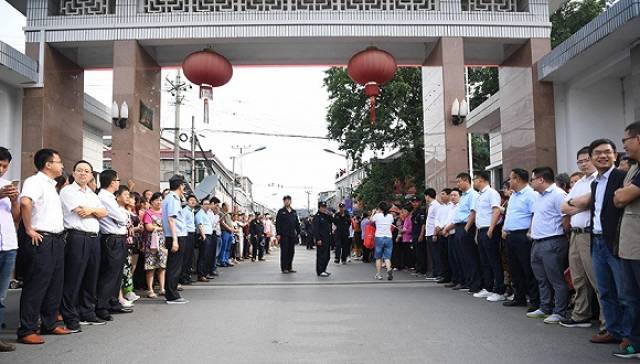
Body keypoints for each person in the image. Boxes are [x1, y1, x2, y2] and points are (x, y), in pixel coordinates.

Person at [571, 139, 630, 345]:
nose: (602, 156)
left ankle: (629, 334)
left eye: (607, 152)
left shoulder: (622, 177)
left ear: (615, 154)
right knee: (605, 290)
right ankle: (612, 330)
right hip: (595, 240)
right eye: (597, 153)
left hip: (615, 241)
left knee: (624, 291)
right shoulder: (595, 183)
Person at [17, 149, 70, 344]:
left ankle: (49, 323)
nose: (62, 165)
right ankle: (27, 329)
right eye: (59, 162)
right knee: (36, 285)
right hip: (41, 239)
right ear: (48, 164)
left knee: (55, 284)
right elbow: (25, 202)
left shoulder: (51, 185)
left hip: (56, 239)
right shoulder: (35, 181)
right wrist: (29, 229)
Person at [59, 160, 108, 333]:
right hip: (77, 237)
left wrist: (91, 210)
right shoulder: (67, 191)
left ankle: (87, 312)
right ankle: (69, 316)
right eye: (79, 170)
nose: (83, 174)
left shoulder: (92, 194)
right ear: (73, 173)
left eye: (87, 171)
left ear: (91, 175)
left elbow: (104, 213)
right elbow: (80, 211)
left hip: (94, 238)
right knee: (74, 278)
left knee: (91, 277)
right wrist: (93, 211)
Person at [559, 146, 601, 329]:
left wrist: (577, 204)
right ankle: (580, 315)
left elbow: (593, 202)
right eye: (580, 161)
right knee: (578, 278)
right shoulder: (580, 183)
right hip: (575, 235)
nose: (584, 164)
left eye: (586, 160)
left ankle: (607, 322)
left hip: (590, 234)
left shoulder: (600, 180)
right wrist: (582, 205)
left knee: (597, 279)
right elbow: (564, 207)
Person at [526, 166, 570, 324]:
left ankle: (559, 311)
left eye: (532, 179)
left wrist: (561, 234)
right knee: (541, 278)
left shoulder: (558, 194)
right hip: (537, 242)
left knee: (556, 279)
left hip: (553, 241)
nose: (531, 183)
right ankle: (545, 307)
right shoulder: (538, 196)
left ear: (541, 179)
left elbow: (566, 217)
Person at [613, 120, 640, 358]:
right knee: (631, 296)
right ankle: (634, 341)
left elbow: (624, 195)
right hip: (628, 244)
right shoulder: (633, 168)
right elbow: (619, 198)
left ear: (638, 139)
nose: (625, 146)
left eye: (625, 141)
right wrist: (623, 194)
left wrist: (624, 193)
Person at [501, 169, 539, 311]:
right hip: (511, 236)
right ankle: (519, 297)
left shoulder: (530, 195)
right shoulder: (514, 195)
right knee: (514, 268)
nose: (509, 181)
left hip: (523, 236)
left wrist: (530, 231)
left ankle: (535, 301)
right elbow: (511, 214)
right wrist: (505, 228)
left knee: (527, 268)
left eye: (511, 179)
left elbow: (535, 215)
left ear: (518, 179)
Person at [95, 173, 132, 322]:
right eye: (118, 180)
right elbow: (121, 218)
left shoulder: (109, 197)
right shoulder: (104, 196)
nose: (118, 182)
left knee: (117, 273)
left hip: (118, 237)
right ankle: (101, 306)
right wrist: (122, 219)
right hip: (111, 238)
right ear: (112, 182)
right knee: (109, 274)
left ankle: (112, 302)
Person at [470, 172, 505, 302]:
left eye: (474, 180)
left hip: (490, 230)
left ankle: (499, 290)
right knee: (484, 261)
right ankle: (488, 287)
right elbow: (478, 215)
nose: (473, 182)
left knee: (494, 260)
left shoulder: (492, 193)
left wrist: (491, 228)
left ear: (480, 180)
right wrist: (477, 233)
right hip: (481, 230)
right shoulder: (479, 196)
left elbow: (496, 210)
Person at [0, 147, 20, 351]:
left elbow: (16, 217)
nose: (2, 169)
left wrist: (14, 200)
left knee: (1, 296)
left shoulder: (8, 185)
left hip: (8, 245)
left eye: (5, 166)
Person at [162, 175, 189, 304]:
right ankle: (172, 295)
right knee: (174, 267)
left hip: (176, 235)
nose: (184, 187)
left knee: (174, 266)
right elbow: (171, 220)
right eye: (183, 185)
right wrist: (175, 240)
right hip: (176, 236)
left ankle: (171, 293)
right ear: (180, 186)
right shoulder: (172, 199)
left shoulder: (173, 198)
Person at [453, 172, 481, 293]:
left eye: (459, 181)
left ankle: (475, 284)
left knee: (470, 256)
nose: (458, 184)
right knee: (462, 257)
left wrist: (466, 228)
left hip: (467, 227)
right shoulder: (463, 195)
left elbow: (473, 212)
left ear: (466, 180)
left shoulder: (473, 195)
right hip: (459, 226)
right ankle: (467, 281)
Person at [142, 192, 167, 298]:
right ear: (151, 202)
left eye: (161, 200)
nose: (159, 202)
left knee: (162, 266)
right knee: (150, 266)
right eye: (157, 200)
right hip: (151, 243)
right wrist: (161, 228)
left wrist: (157, 227)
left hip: (163, 243)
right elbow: (148, 227)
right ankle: (150, 290)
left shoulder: (164, 213)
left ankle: (162, 288)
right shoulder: (148, 213)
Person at [275, 195, 301, 273]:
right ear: (284, 201)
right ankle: (284, 268)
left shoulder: (294, 211)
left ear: (291, 201)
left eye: (289, 200)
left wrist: (298, 232)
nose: (287, 202)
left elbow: (297, 223)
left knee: (291, 251)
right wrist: (278, 234)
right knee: (284, 251)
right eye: (286, 200)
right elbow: (278, 223)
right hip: (284, 235)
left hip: (292, 234)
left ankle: (290, 267)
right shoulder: (281, 211)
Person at [370, 201, 395, 281]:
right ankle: (388, 269)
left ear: (379, 208)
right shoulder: (390, 216)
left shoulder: (377, 216)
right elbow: (392, 223)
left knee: (378, 257)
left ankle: (378, 274)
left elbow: (371, 221)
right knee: (387, 257)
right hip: (388, 238)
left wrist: (373, 213)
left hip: (379, 237)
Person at [442, 189, 461, 289]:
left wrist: (446, 229)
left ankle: (460, 280)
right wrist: (445, 229)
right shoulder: (451, 207)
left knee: (458, 258)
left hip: (456, 234)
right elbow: (447, 220)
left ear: (460, 197)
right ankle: (455, 279)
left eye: (455, 195)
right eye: (452, 195)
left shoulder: (459, 207)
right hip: (449, 234)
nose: (453, 197)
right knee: (452, 258)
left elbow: (455, 221)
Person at [424, 188, 443, 281]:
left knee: (436, 254)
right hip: (429, 233)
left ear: (427, 196)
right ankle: (435, 272)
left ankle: (439, 273)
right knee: (432, 254)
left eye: (425, 196)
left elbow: (437, 220)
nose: (425, 198)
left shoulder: (436, 205)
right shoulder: (431, 205)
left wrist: (435, 234)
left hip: (433, 233)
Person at [195, 199, 214, 282]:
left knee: (207, 256)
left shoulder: (206, 214)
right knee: (203, 256)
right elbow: (200, 225)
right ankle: (201, 275)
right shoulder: (200, 214)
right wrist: (203, 236)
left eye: (208, 204)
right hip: (204, 236)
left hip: (209, 235)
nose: (207, 205)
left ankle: (205, 273)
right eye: (205, 204)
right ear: (202, 205)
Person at [313, 201, 333, 277]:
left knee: (327, 256)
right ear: (319, 207)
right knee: (321, 255)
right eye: (322, 207)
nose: (324, 208)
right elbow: (315, 229)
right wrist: (318, 239)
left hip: (327, 238)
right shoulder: (317, 217)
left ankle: (324, 269)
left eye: (325, 207)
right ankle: (320, 271)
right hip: (321, 239)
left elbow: (332, 221)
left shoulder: (326, 216)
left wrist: (330, 214)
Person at [410, 196, 426, 276]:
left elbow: (423, 224)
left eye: (416, 202)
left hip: (419, 234)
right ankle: (418, 268)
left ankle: (422, 270)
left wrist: (421, 234)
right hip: (414, 234)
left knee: (421, 253)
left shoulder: (421, 211)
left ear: (419, 202)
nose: (415, 203)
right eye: (413, 202)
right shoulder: (414, 212)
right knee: (416, 252)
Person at [218, 203, 236, 268]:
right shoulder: (221, 213)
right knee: (224, 247)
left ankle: (226, 260)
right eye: (227, 206)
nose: (228, 207)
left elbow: (230, 223)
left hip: (230, 233)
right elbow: (222, 223)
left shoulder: (228, 214)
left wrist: (232, 229)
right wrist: (230, 229)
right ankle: (222, 261)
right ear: (224, 206)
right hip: (225, 232)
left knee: (228, 248)